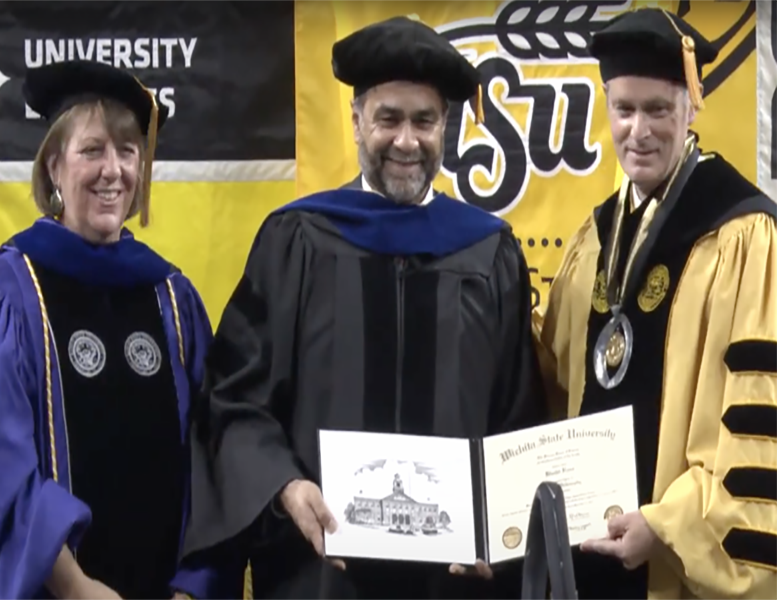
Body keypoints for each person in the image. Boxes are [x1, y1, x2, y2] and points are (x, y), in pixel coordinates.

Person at [183, 15, 545, 600]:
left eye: (424, 120)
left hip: (454, 585)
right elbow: (235, 398)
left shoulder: (487, 251)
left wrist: (499, 530)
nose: (407, 140)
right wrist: (284, 485)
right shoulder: (298, 240)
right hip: (320, 575)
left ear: (445, 126)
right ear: (356, 122)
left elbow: (518, 417)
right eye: (389, 119)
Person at [534, 7, 777, 600]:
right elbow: (549, 378)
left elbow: (758, 417)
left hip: (676, 567)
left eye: (658, 110)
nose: (638, 131)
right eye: (624, 109)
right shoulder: (595, 238)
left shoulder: (745, 235)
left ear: (691, 106)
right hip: (588, 558)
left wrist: (669, 528)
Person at [0, 60, 243, 600]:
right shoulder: (10, 290)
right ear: (54, 166)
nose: (113, 170)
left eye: (128, 152)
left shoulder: (172, 298)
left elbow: (214, 461)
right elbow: (3, 465)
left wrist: (194, 585)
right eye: (92, 150)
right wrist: (75, 588)